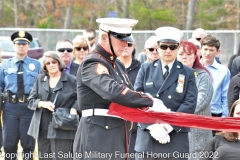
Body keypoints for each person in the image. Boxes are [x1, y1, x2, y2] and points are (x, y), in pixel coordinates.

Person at [73, 18, 169, 160]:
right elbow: (114, 91)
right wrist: (149, 101)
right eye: (120, 39)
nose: (125, 44)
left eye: (127, 40)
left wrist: (153, 119)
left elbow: (130, 95)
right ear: (105, 37)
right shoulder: (93, 62)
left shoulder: (117, 64)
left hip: (117, 133)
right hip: (97, 136)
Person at [134, 27, 198, 160]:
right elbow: (137, 99)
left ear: (178, 47)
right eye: (164, 46)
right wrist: (152, 126)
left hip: (175, 136)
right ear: (157, 47)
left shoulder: (188, 73)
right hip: (148, 136)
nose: (168, 50)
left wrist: (167, 127)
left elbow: (189, 103)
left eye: (172, 47)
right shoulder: (145, 69)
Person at [27, 51, 78, 160]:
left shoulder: (72, 80)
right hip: (43, 128)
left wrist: (74, 109)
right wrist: (42, 103)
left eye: (54, 62)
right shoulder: (39, 79)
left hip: (63, 127)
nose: (51, 65)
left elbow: (82, 99)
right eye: (48, 63)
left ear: (59, 63)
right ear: (44, 66)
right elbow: (31, 100)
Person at [0, 31, 41, 160]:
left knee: (28, 144)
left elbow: (41, 87)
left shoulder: (37, 65)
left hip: (29, 108)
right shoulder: (5, 65)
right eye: (18, 44)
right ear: (14, 45)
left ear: (28, 46)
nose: (21, 46)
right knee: (9, 144)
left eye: (24, 44)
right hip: (9, 108)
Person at [177, 40, 213, 160]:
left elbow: (201, 101)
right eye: (181, 54)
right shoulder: (172, 76)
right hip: (176, 130)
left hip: (198, 132)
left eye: (188, 54)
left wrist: (178, 113)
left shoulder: (203, 76)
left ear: (195, 57)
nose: (184, 57)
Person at [200, 35, 230, 119]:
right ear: (200, 49)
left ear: (217, 51)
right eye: (205, 49)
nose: (207, 53)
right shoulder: (193, 68)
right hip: (195, 114)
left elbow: (225, 96)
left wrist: (225, 116)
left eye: (211, 50)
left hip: (215, 114)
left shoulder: (223, 71)